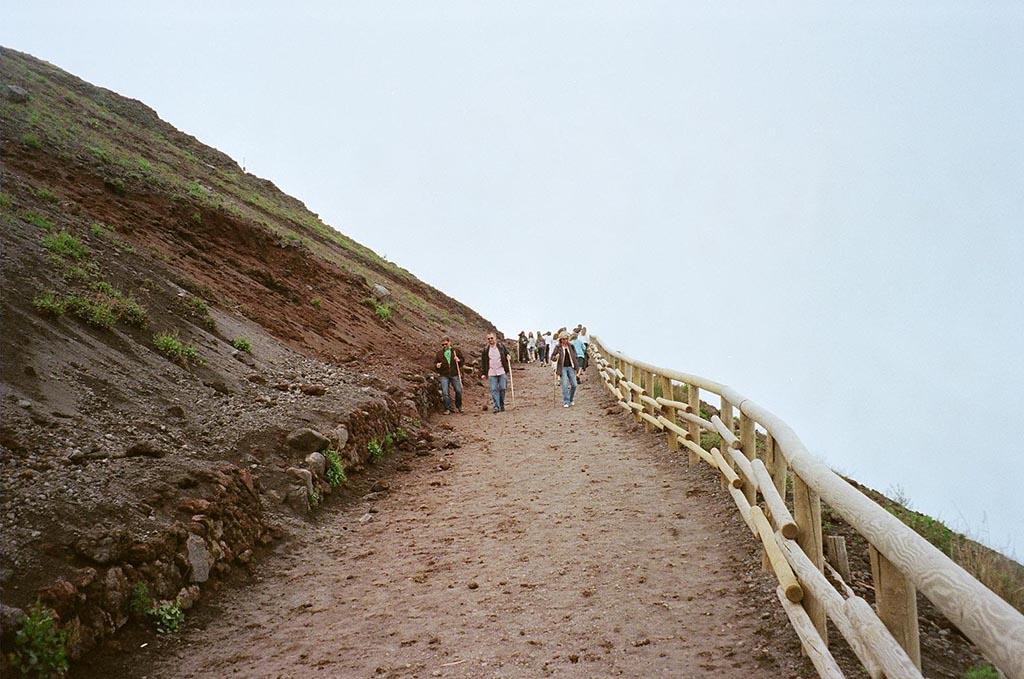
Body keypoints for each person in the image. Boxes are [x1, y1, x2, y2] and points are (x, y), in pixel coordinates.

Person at [479, 332, 511, 413]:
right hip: (491, 372)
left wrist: (508, 356)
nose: (490, 340)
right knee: (494, 389)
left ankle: (501, 404)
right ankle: (496, 406)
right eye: (488, 339)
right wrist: (483, 373)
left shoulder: (501, 346)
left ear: (495, 338)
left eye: (491, 338)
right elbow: (483, 362)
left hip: (501, 370)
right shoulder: (485, 349)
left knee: (503, 388)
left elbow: (507, 353)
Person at [433, 337, 464, 414]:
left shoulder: (455, 351)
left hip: (454, 374)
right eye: (442, 344)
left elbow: (462, 361)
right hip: (444, 374)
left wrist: (459, 360)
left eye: (446, 344)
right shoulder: (439, 353)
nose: (444, 346)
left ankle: (459, 406)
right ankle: (448, 408)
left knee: (458, 391)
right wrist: (437, 365)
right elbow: (435, 364)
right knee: (445, 392)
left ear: (450, 342)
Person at [550, 332, 578, 407]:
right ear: (560, 340)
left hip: (571, 367)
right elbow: (552, 357)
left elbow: (575, 355)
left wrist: (576, 364)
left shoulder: (571, 346)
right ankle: (566, 401)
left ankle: (571, 399)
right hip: (562, 368)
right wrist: (556, 357)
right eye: (563, 339)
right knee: (565, 385)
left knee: (574, 384)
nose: (565, 340)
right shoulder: (558, 347)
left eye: (566, 339)